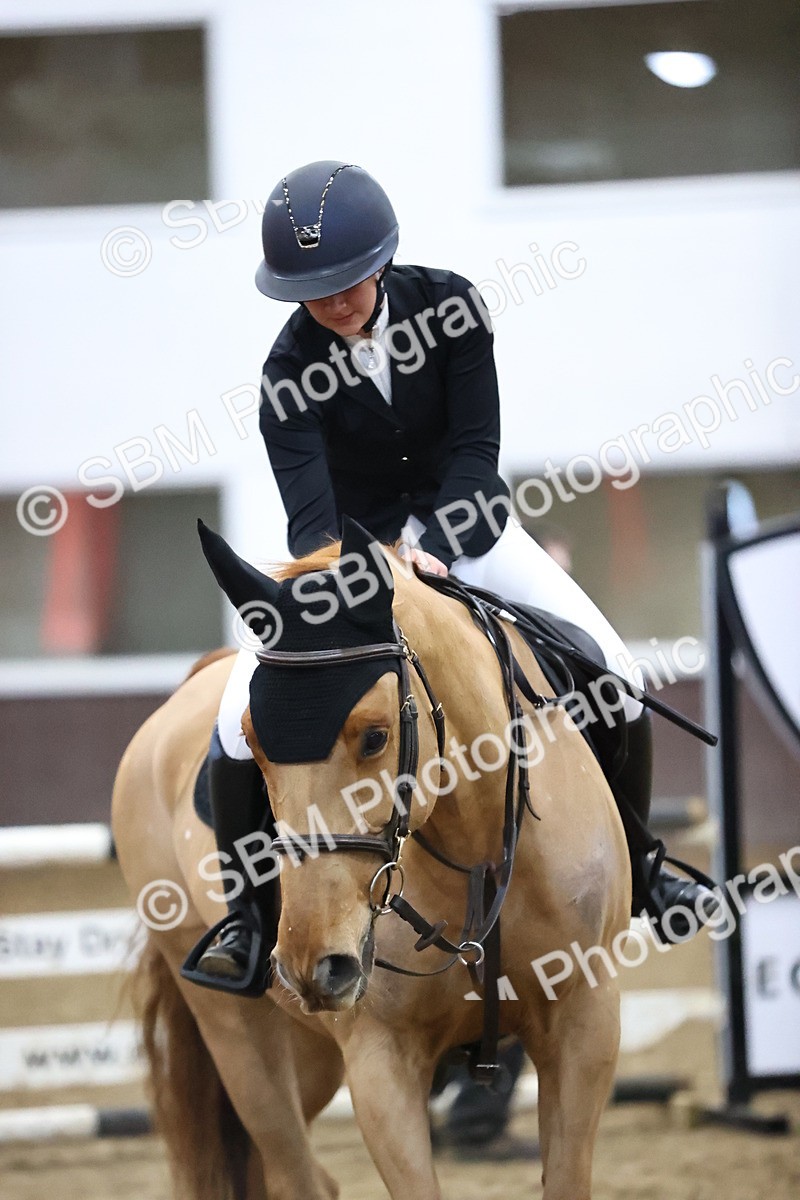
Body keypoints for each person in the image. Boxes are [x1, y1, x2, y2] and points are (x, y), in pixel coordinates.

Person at [187, 160, 717, 991]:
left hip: (469, 532)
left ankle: (645, 868)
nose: (333, 303)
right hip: (357, 564)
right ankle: (249, 923)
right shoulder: (286, 373)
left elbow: (475, 449)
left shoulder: (452, 308)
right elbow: (310, 516)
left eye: (346, 282)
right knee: (230, 723)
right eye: (312, 291)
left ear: (382, 261)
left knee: (616, 670)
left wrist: (433, 541)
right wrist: (372, 567)